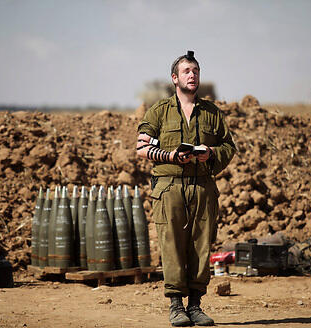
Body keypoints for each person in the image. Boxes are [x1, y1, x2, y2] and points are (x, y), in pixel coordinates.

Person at [136, 50, 236, 326]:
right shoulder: (159, 111)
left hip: (203, 187)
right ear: (175, 78)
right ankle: (176, 306)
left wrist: (211, 153)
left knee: (201, 245)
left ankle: (195, 306)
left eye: (196, 71)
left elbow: (230, 147)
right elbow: (141, 147)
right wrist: (170, 156)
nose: (192, 75)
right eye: (186, 71)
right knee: (172, 246)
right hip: (169, 188)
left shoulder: (212, 113)